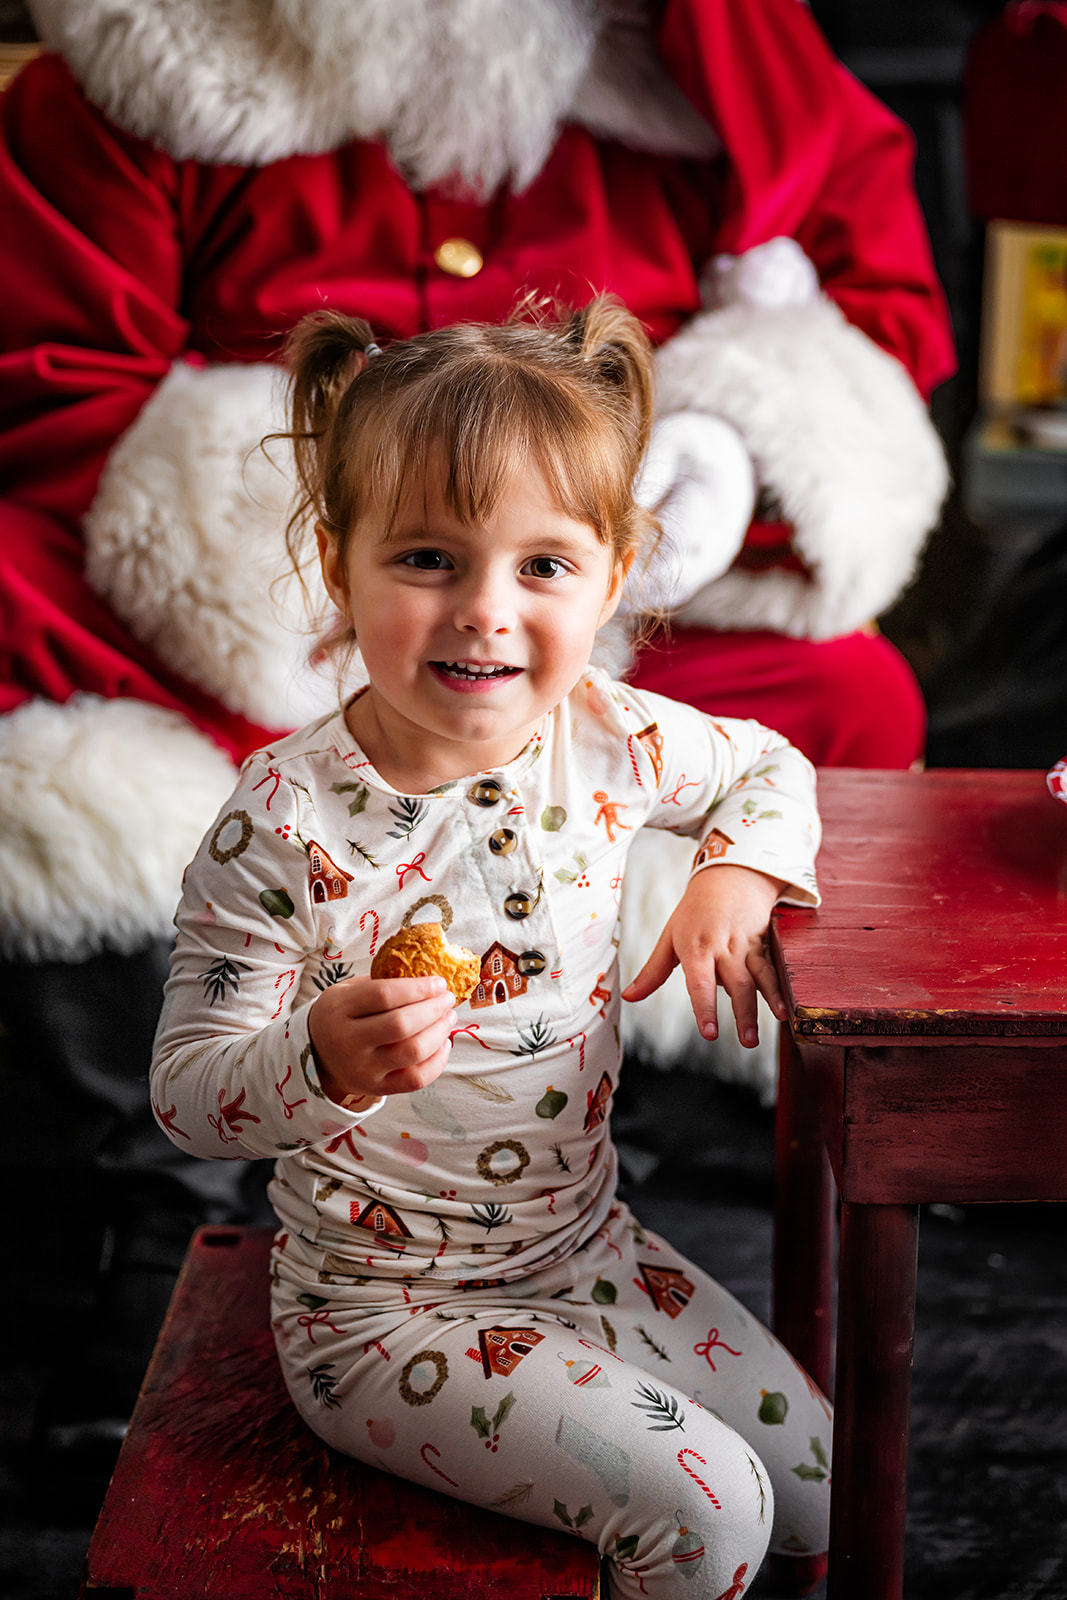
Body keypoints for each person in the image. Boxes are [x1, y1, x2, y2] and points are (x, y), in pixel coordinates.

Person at [150, 297, 828, 1600]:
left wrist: (732, 875)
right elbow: (186, 1093)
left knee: (817, 1489)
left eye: (544, 566)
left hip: (587, 1254)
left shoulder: (611, 736)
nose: (485, 612)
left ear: (615, 576)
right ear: (338, 563)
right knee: (714, 1512)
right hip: (381, 1313)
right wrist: (315, 1058)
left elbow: (771, 768)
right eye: (427, 559)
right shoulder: (284, 816)